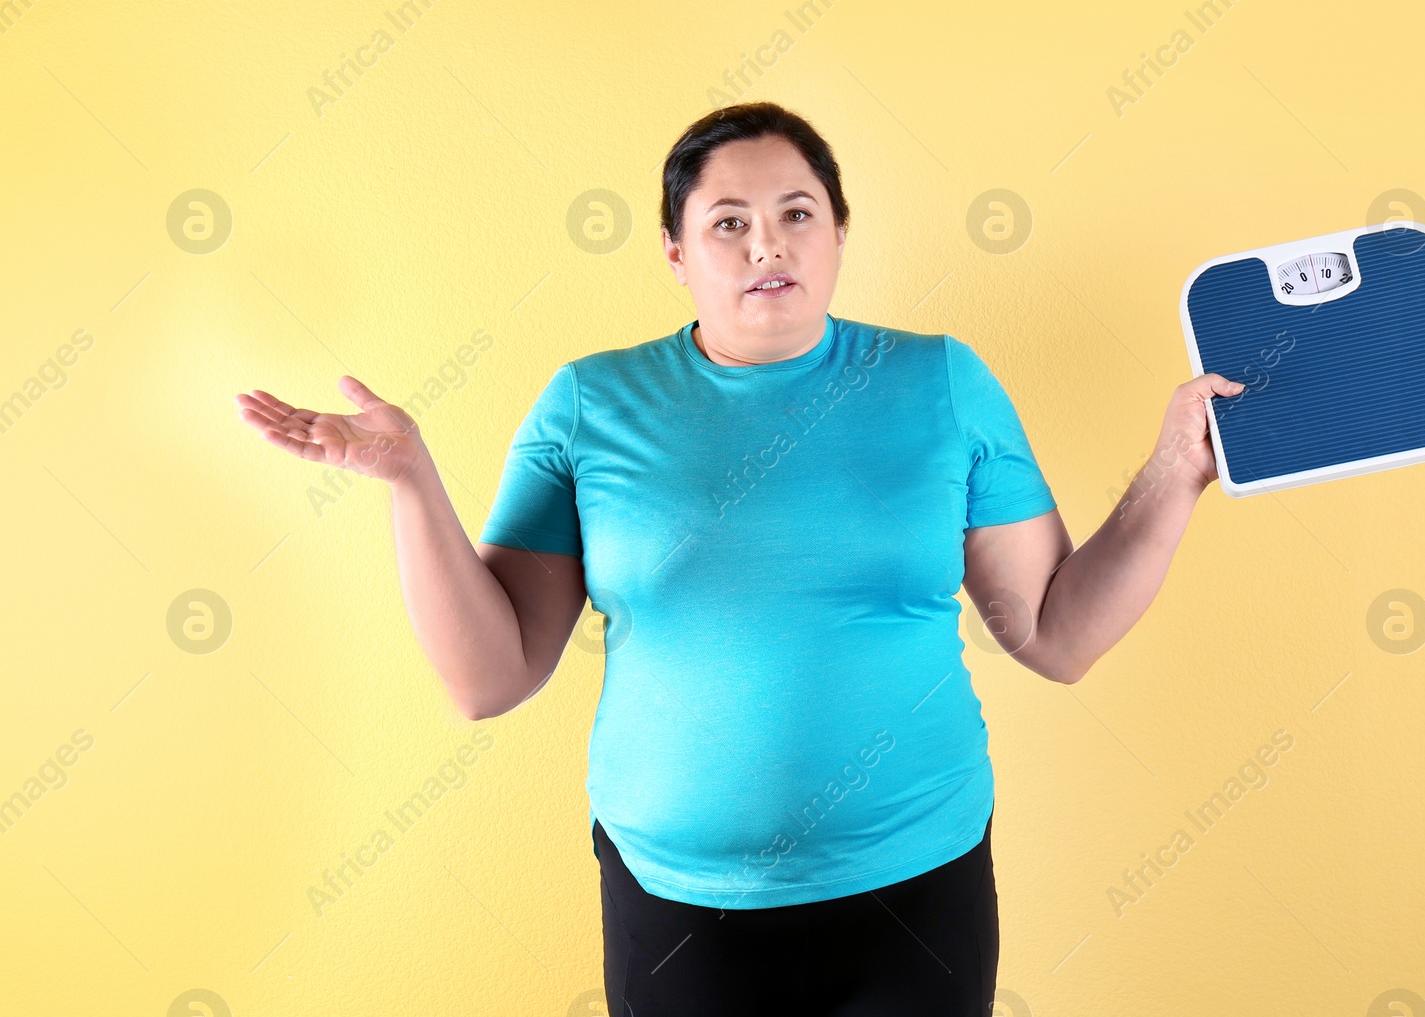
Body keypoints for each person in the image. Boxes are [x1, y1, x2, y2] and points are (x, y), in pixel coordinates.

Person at [235, 101, 1243, 1015]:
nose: (769, 241)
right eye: (728, 221)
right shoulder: (591, 404)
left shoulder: (941, 381)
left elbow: (1056, 632)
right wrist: (412, 478)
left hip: (917, 888)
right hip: (679, 910)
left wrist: (1173, 471)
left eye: (799, 212)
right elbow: (488, 677)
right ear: (676, 252)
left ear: (839, 232)